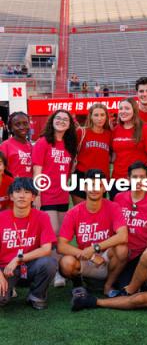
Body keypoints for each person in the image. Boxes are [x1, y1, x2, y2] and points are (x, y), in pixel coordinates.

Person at [57, 169, 128, 297]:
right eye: (90, 185)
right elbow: (61, 245)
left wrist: (95, 247)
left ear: (104, 188)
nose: (94, 189)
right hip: (86, 258)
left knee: (122, 249)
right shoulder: (74, 212)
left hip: (107, 258)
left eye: (98, 185)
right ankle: (79, 284)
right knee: (66, 262)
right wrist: (89, 254)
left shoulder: (113, 207)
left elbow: (123, 236)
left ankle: (108, 286)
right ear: (84, 187)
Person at [32, 109, 77, 287]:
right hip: (47, 195)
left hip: (62, 195)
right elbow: (37, 171)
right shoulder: (43, 142)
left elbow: (69, 169)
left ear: (69, 124)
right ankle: (56, 272)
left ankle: (59, 268)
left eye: (65, 119)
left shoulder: (69, 145)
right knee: (53, 233)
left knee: (62, 236)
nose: (61, 121)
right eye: (58, 118)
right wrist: (38, 195)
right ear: (52, 121)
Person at [0, 177, 57, 310]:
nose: (22, 195)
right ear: (11, 196)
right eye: (18, 191)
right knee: (1, 300)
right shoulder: (1, 218)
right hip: (5, 268)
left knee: (49, 263)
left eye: (27, 192)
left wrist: (19, 258)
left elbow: (46, 249)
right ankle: (8, 290)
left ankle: (36, 296)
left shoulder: (42, 217)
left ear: (33, 197)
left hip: (30, 266)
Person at [114, 161, 147, 291]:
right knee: (123, 287)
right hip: (125, 253)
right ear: (128, 179)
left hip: (145, 252)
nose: (138, 181)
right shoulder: (119, 198)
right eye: (134, 177)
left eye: (142, 177)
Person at [111, 97, 147, 199]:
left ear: (134, 110)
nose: (123, 111)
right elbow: (114, 157)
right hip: (117, 181)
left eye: (127, 108)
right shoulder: (115, 130)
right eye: (121, 108)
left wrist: (146, 180)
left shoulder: (146, 129)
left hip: (138, 181)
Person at [71, 103, 112, 205]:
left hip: (101, 178)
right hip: (82, 176)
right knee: (80, 213)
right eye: (96, 115)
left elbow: (112, 155)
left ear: (106, 117)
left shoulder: (109, 134)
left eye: (102, 115)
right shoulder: (81, 132)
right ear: (90, 116)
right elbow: (71, 152)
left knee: (98, 215)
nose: (99, 118)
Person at [0, 112, 33, 177]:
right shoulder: (5, 146)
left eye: (25, 123)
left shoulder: (32, 146)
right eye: (17, 124)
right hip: (13, 186)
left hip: (30, 185)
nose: (22, 127)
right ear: (11, 128)